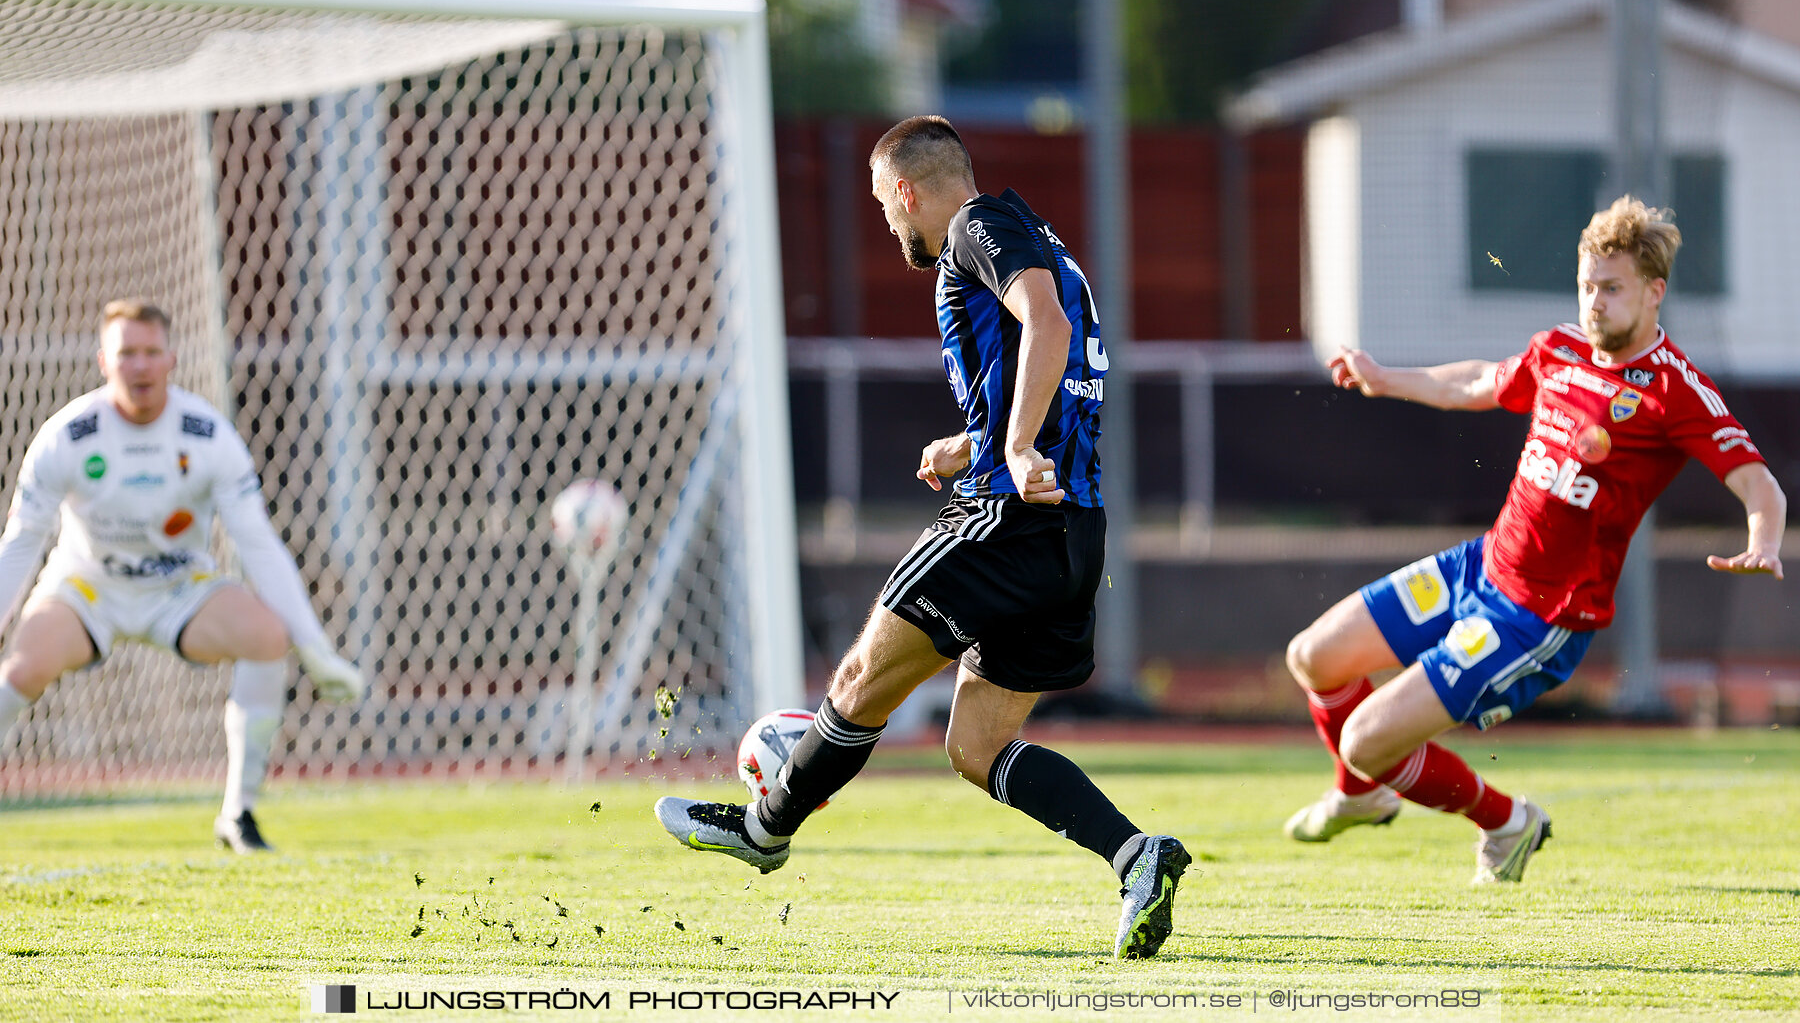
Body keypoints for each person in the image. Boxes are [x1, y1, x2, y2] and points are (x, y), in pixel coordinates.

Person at [655, 115, 1190, 959]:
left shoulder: (976, 229)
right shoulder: (1040, 239)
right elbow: (1061, 378)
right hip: (1072, 534)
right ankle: (1137, 857)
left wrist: (1006, 453)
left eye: (882, 204)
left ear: (904, 189)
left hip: (1006, 521)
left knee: (864, 675)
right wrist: (978, 440)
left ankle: (765, 829)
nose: (888, 223)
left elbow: (1044, 327)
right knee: (977, 747)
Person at [1283, 196, 1785, 882]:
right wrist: (1385, 378)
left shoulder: (1677, 393)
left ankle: (1507, 821)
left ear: (1653, 292)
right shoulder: (1560, 349)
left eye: (1611, 289)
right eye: (1586, 285)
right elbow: (1475, 382)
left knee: (1369, 739)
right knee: (1313, 658)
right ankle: (1360, 794)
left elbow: (1760, 484)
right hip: (1480, 567)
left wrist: (1764, 540)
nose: (1594, 303)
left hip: (1538, 619)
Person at [0, 300, 366, 852]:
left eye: (151, 353)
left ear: (172, 358)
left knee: (267, 638)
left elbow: (258, 544)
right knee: (22, 669)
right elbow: (22, 542)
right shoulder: (68, 436)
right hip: (87, 587)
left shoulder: (206, 435)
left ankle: (238, 815)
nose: (140, 367)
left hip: (178, 589)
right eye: (127, 354)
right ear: (104, 361)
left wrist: (315, 649)